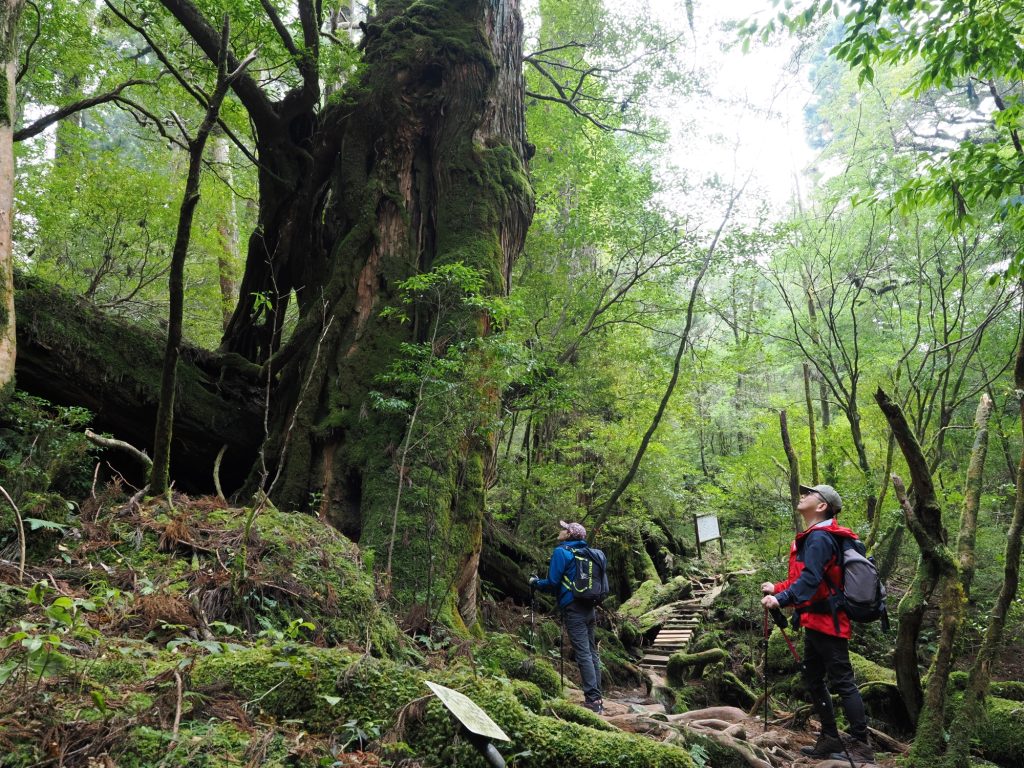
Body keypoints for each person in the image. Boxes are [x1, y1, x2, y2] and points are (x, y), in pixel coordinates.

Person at [761, 484, 874, 764]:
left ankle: (861, 744)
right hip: (815, 621)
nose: (802, 496)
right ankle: (830, 737)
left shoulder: (821, 538)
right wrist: (777, 588)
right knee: (813, 679)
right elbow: (806, 579)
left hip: (829, 622)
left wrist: (782, 598)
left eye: (808, 494)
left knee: (843, 682)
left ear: (822, 506)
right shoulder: (814, 537)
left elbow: (810, 581)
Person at [530, 520, 604, 714]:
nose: (561, 531)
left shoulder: (561, 552)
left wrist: (536, 583)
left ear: (569, 534)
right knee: (591, 651)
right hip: (589, 607)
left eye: (564, 529)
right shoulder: (589, 553)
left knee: (583, 652)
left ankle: (593, 700)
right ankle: (597, 696)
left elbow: (553, 582)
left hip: (573, 607)